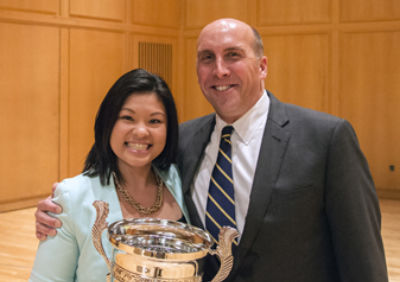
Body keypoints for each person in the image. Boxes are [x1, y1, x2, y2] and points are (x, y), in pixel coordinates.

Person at [34, 18, 388, 282]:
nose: (219, 70)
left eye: (233, 55)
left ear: (262, 66)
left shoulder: (326, 138)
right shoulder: (183, 144)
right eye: (207, 58)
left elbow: (363, 259)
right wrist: (59, 211)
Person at [30, 68, 189, 281]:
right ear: (107, 122)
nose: (141, 131)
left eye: (154, 121)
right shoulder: (72, 197)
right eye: (127, 118)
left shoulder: (182, 180)